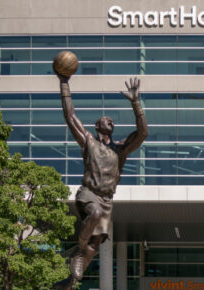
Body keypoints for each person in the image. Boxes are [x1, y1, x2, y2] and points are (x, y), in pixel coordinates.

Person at [55, 76, 147, 289]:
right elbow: (70, 116)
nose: (111, 122)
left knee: (95, 245)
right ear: (97, 125)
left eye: (112, 121)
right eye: (107, 120)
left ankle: (70, 281)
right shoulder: (89, 141)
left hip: (107, 200)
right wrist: (64, 83)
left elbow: (143, 133)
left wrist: (136, 103)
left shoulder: (120, 149)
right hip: (89, 193)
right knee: (93, 216)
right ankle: (78, 249)